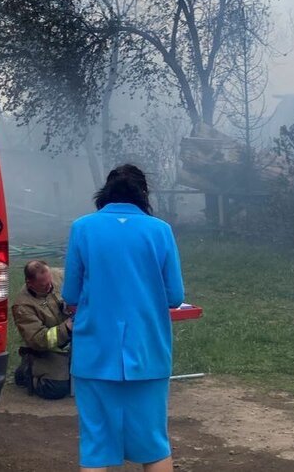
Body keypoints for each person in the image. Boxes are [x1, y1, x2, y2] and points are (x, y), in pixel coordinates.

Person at [62, 164, 185, 472]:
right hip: (148, 353)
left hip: (95, 354)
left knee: (96, 447)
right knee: (154, 445)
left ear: (105, 193)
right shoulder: (161, 231)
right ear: (144, 195)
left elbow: (71, 295)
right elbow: (174, 297)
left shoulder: (82, 228)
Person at [11, 259, 72, 399]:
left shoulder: (59, 275)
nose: (49, 286)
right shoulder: (23, 306)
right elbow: (38, 340)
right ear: (30, 283)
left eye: (50, 281)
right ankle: (27, 371)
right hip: (49, 349)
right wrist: (67, 328)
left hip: (73, 339)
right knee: (56, 389)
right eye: (44, 286)